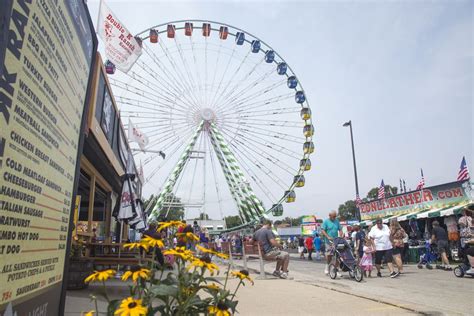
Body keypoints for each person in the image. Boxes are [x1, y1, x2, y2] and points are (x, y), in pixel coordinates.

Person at [320, 210, 342, 275]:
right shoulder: (326, 222)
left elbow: (340, 229)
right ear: (329, 216)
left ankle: (336, 269)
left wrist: (341, 235)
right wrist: (327, 236)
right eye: (334, 216)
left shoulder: (337, 221)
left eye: (335, 216)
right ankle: (327, 266)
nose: (335, 217)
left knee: (338, 255)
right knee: (329, 254)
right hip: (328, 241)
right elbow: (323, 230)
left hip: (336, 240)